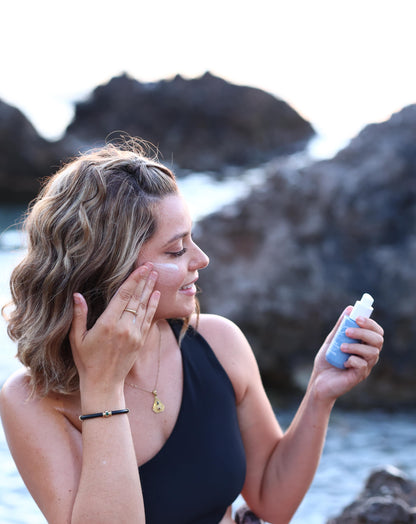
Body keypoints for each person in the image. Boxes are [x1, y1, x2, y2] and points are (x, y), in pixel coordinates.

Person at [0, 140, 384, 524]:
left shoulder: (219, 343)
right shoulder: (32, 400)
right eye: (175, 250)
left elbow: (272, 498)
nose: (201, 259)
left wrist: (319, 392)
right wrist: (102, 387)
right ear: (108, 269)